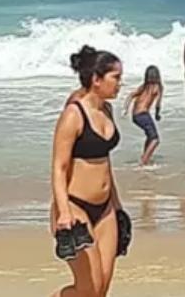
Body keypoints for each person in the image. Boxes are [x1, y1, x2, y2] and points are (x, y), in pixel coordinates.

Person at [51, 46, 125, 297]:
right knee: (89, 290)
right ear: (96, 79)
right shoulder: (74, 114)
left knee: (101, 289)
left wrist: (117, 205)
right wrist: (63, 213)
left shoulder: (107, 110)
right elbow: (59, 168)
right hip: (75, 207)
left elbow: (104, 164)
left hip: (105, 210)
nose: (120, 84)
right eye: (115, 77)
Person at [124, 65, 164, 166]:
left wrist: (126, 109)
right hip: (143, 114)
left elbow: (130, 95)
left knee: (149, 136)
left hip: (135, 116)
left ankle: (144, 156)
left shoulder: (144, 86)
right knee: (155, 139)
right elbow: (158, 103)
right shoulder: (158, 87)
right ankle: (143, 162)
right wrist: (157, 114)